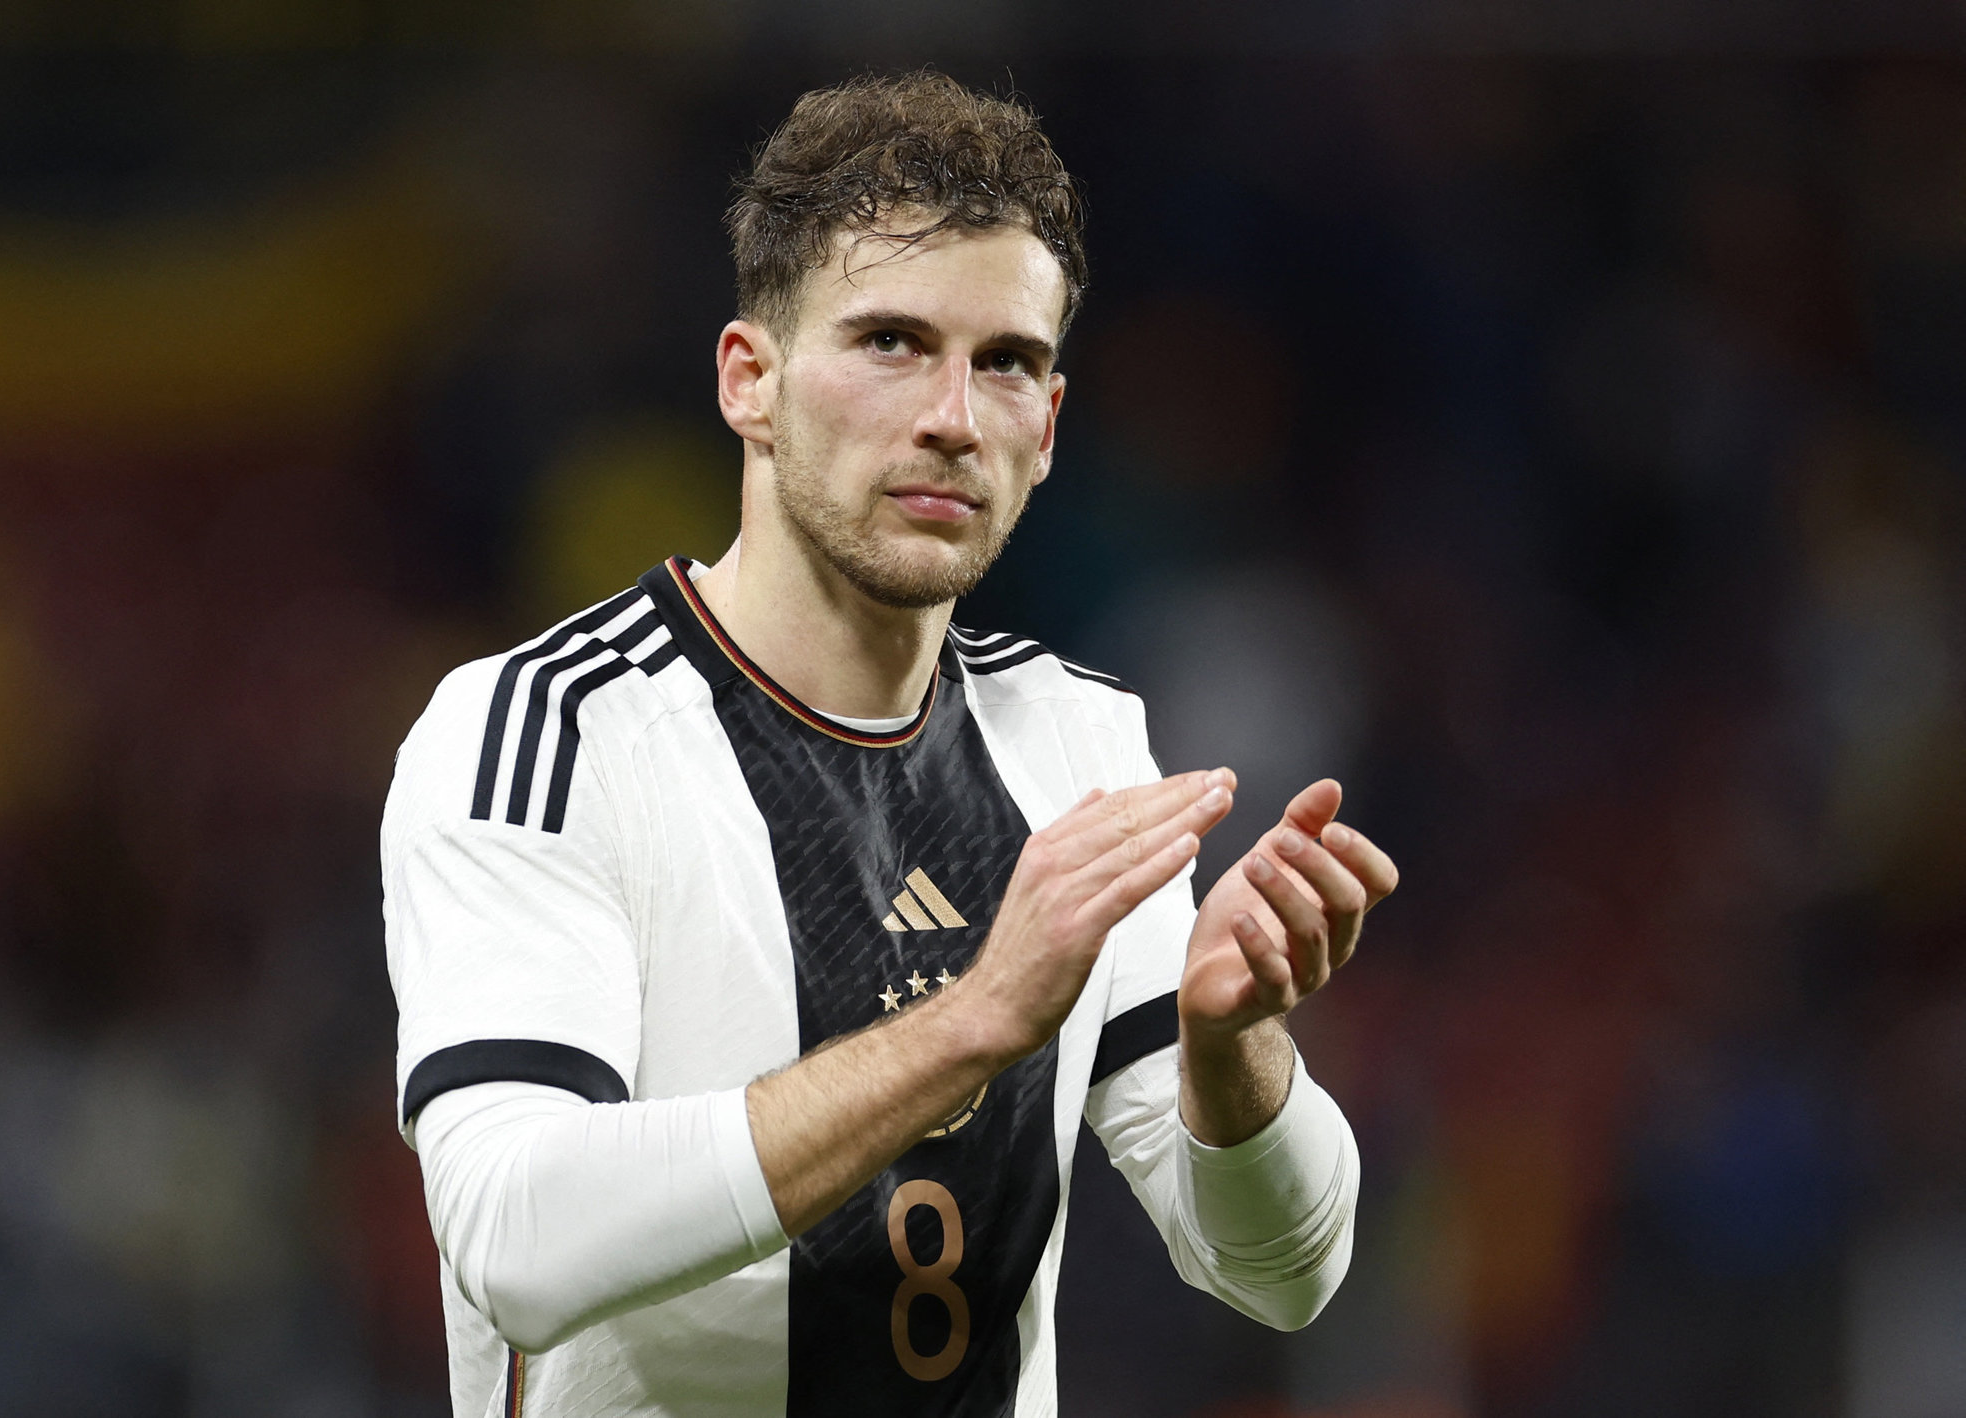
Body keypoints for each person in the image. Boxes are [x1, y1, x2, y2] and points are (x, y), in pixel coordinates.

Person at [383, 70, 1397, 1418]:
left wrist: (1237, 1049)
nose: (952, 418)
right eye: (890, 343)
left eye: (1006, 363)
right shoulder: (546, 730)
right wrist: (971, 1021)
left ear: (1049, 427)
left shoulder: (1077, 740)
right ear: (749, 381)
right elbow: (515, 1238)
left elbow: (1285, 1272)